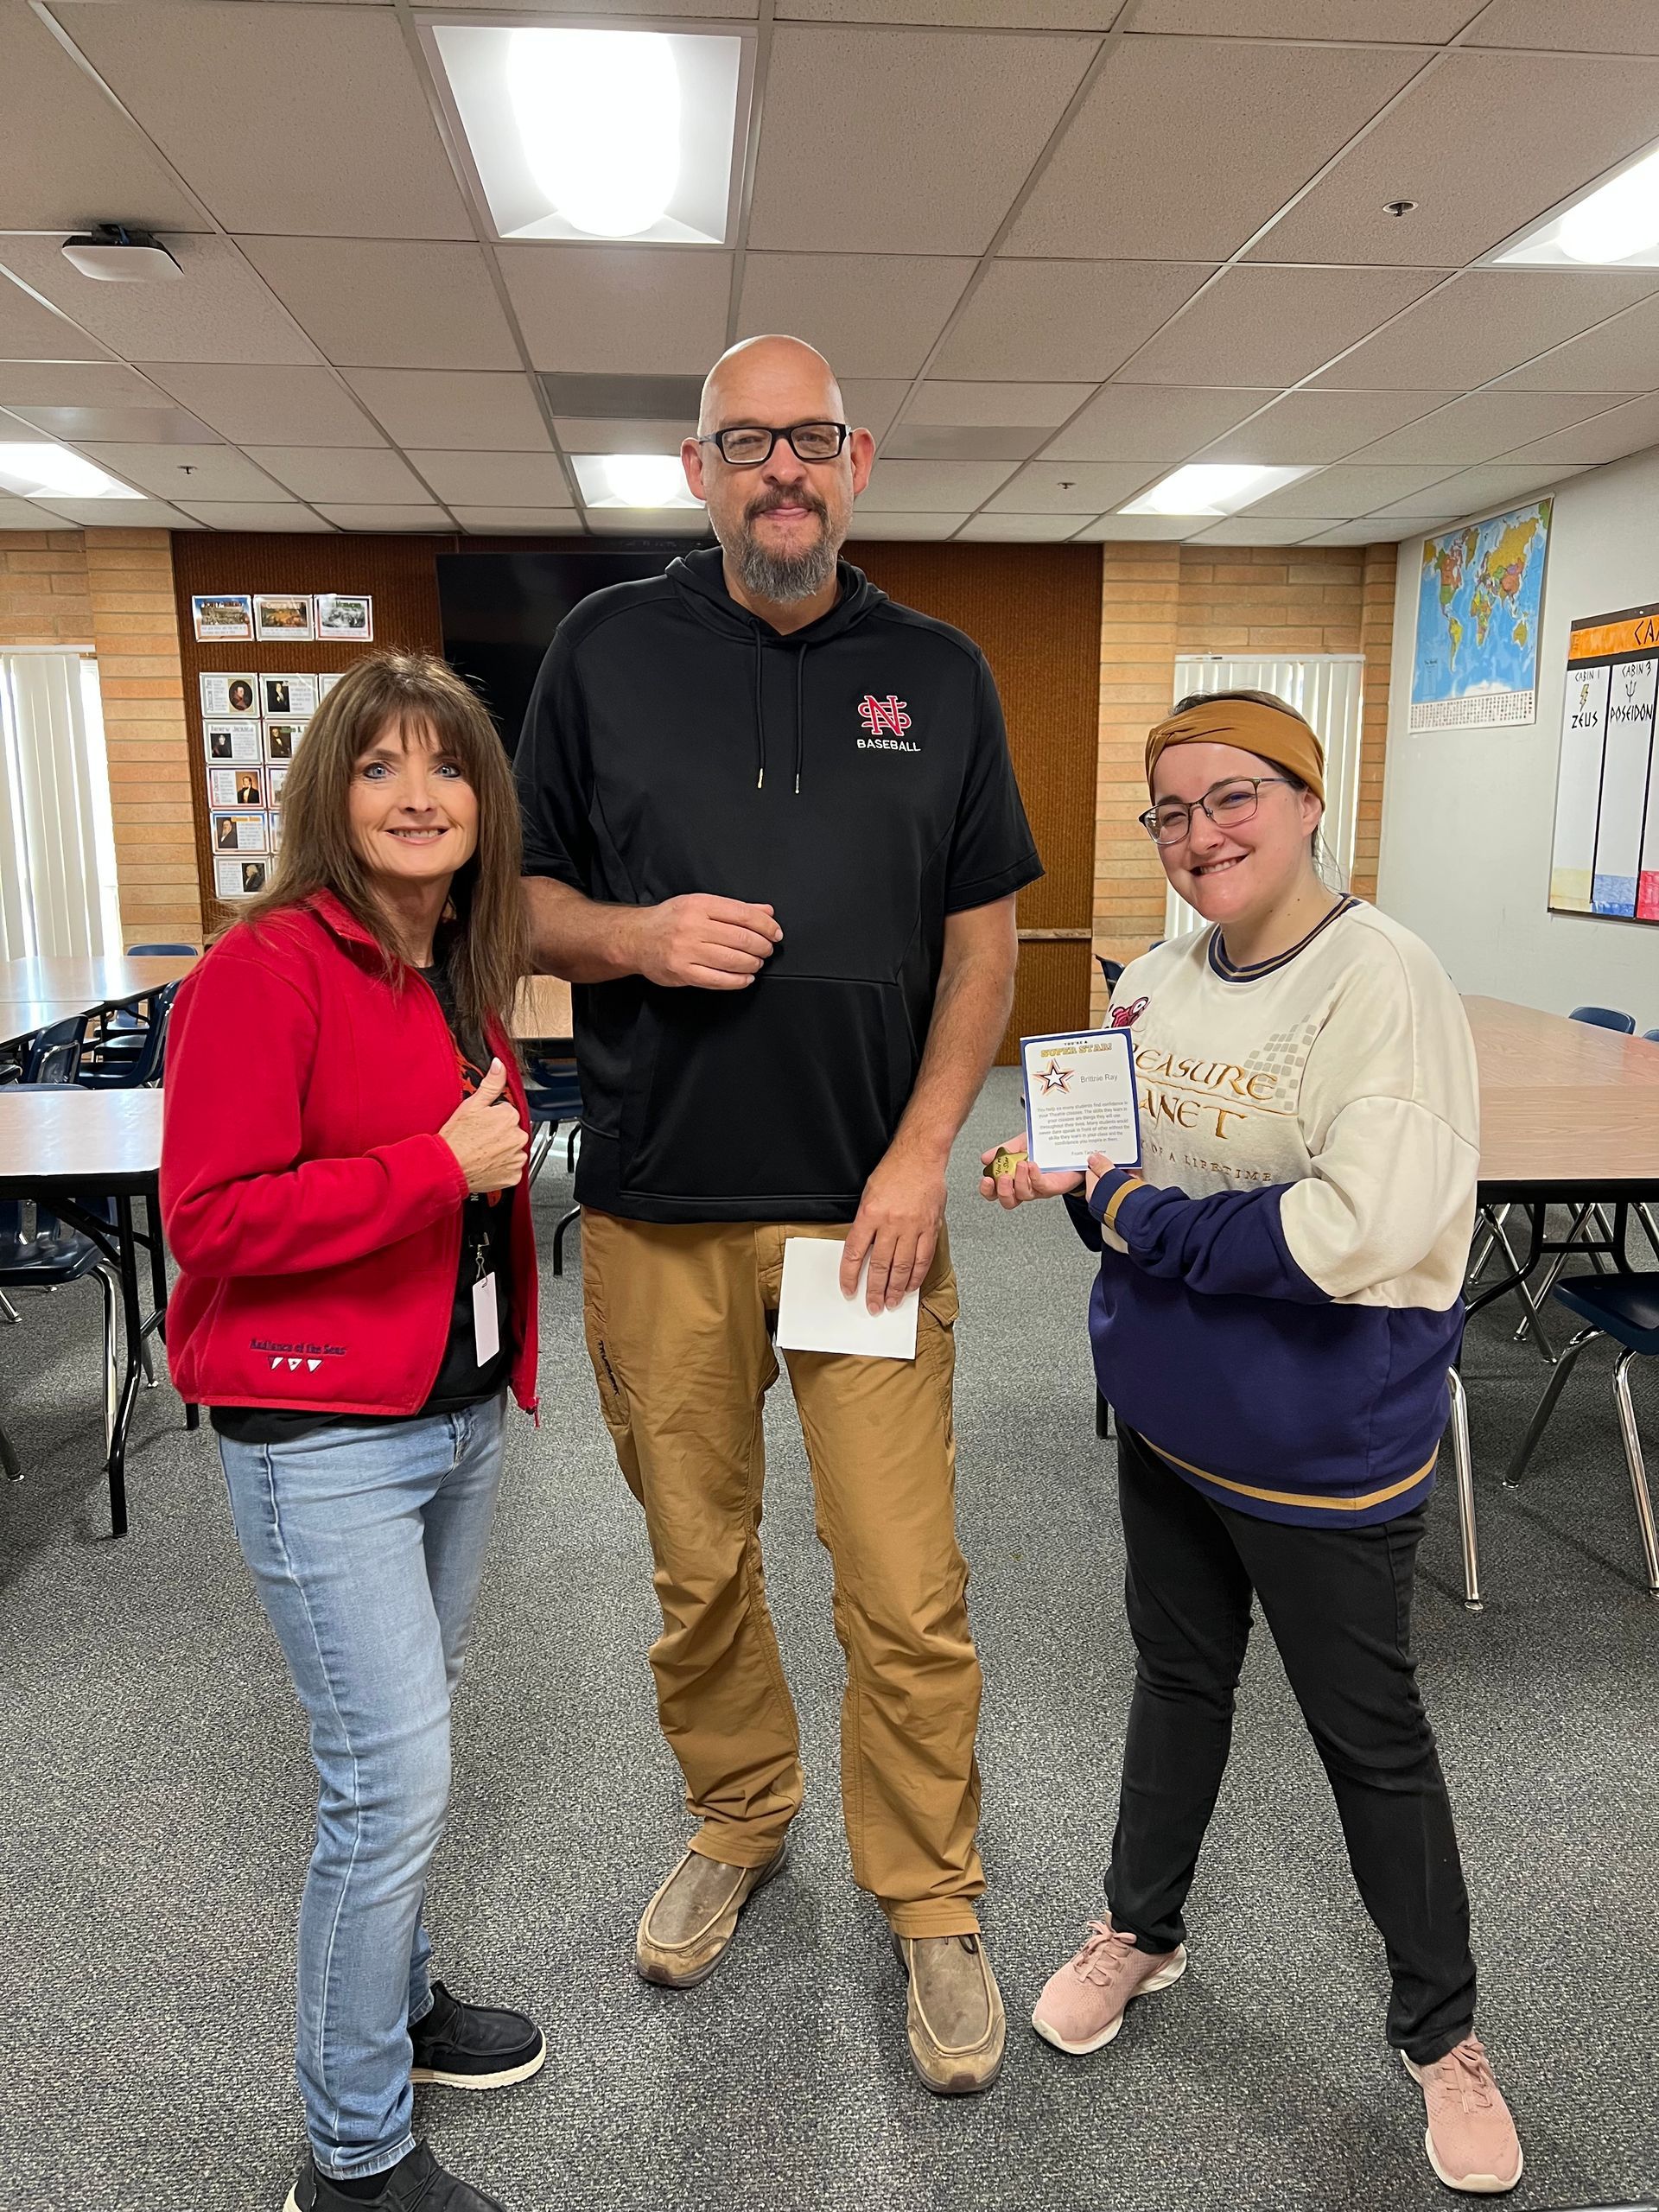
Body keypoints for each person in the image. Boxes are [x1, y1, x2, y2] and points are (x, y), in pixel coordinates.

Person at [516, 334, 1041, 2094]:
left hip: (859, 1222)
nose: (781, 471)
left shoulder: (941, 673)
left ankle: (932, 1894)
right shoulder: (605, 653)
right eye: (746, 444)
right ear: (700, 472)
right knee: (698, 1568)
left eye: (809, 439)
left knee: (904, 1585)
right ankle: (740, 1812)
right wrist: (637, 936)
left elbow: (984, 950)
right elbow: (518, 902)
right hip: (661, 1211)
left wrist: (919, 1153)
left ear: (857, 457)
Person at [981, 690, 1522, 2195]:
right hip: (1171, 1421)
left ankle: (1443, 2037)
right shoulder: (1156, 979)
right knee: (1177, 1682)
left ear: (1307, 801)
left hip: (1322, 1443)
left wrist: (1130, 1210)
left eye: (1234, 798)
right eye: (1172, 811)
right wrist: (1067, 1175)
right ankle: (1140, 1931)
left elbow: (1353, 1231)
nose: (1200, 834)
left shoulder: (1383, 979)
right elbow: (1117, 1177)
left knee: (1370, 1740)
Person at [162, 652, 543, 2212]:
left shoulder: (455, 964)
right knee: (385, 1788)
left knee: (414, 1745)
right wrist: (432, 1170)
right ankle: (355, 2159)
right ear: (331, 792)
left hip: (449, 1414)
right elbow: (209, 1219)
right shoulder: (264, 970)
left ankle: (399, 1997)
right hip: (321, 1433)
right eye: (380, 766)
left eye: (445, 768)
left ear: (482, 802)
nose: (416, 795)